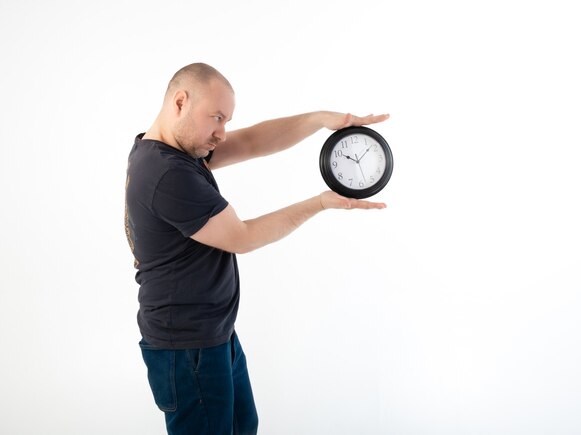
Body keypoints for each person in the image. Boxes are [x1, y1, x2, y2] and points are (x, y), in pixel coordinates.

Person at [124, 62, 389, 434]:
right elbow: (242, 236)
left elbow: (250, 142)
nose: (221, 133)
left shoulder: (172, 150)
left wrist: (320, 119)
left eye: (226, 120)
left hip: (213, 336)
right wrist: (320, 203)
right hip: (187, 349)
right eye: (216, 117)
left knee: (243, 426)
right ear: (180, 102)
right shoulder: (167, 174)